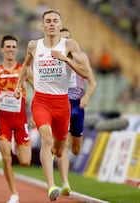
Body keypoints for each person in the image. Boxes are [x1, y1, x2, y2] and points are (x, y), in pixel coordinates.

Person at [14, 9, 89, 201]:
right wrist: (18, 85)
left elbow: (85, 72)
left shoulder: (70, 44)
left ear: (60, 23)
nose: (52, 24)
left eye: (55, 21)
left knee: (59, 148)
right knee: (46, 141)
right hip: (41, 102)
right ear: (42, 25)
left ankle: (57, 162)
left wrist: (66, 60)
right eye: (48, 21)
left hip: (62, 103)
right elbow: (26, 66)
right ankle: (51, 186)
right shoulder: (33, 45)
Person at [0, 35, 32, 203]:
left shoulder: (24, 70)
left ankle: (16, 144)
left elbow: (38, 91)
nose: (11, 49)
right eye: (8, 47)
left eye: (14, 47)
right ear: (2, 49)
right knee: (6, 158)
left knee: (25, 161)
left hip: (20, 120)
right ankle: (14, 194)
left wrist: (35, 112)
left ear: (16, 49)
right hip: (4, 120)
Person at [56, 28, 97, 196]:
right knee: (63, 144)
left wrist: (86, 96)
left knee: (76, 150)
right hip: (61, 103)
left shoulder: (82, 58)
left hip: (77, 106)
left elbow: (92, 82)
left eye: (67, 40)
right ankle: (65, 182)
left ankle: (55, 149)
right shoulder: (53, 58)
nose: (65, 44)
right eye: (62, 40)